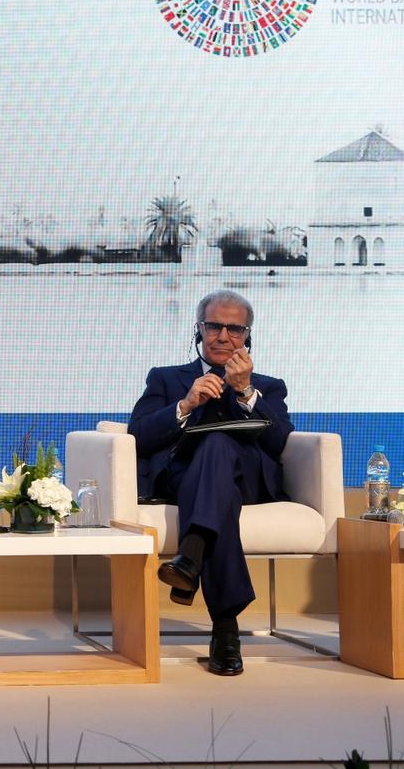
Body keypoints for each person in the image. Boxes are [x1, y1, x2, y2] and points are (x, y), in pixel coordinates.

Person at [127, 289, 293, 676]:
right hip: (181, 476)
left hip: (247, 480)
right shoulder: (167, 379)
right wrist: (184, 405)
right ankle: (224, 627)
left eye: (234, 328)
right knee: (217, 482)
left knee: (219, 443)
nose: (223, 336)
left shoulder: (268, 385)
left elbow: (281, 441)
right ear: (198, 329)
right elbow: (138, 436)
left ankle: (192, 555)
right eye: (214, 325)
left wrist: (245, 391)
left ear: (247, 336)